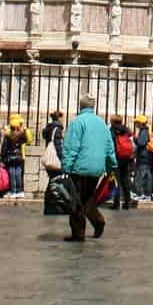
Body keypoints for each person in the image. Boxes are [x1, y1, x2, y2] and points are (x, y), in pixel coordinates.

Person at [58, 95, 115, 243]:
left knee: (75, 201)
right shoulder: (102, 123)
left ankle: (78, 234)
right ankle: (98, 221)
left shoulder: (77, 122)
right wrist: (111, 166)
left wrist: (66, 168)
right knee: (88, 197)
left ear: (81, 106)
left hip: (79, 168)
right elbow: (109, 147)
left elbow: (71, 148)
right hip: (97, 168)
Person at [1, 114, 31, 197]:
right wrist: (22, 129)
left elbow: (4, 148)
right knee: (18, 174)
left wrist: (2, 158)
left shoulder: (8, 136)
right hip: (19, 156)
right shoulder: (21, 135)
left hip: (10, 157)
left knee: (12, 175)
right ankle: (20, 190)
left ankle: (13, 191)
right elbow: (27, 140)